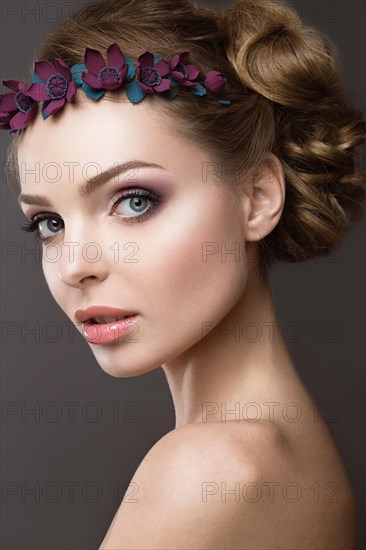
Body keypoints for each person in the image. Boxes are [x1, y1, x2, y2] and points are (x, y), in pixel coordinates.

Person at [1, 0, 364, 547]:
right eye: (49, 223)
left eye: (135, 201)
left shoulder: (209, 469)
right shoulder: (288, 452)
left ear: (257, 197)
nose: (75, 266)